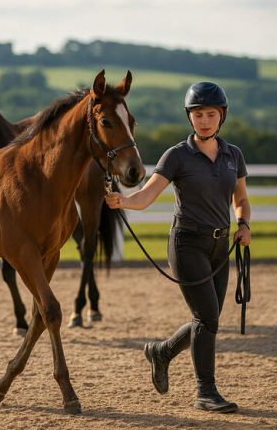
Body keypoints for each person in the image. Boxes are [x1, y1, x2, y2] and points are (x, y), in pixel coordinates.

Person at [105, 81, 251, 413]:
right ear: (190, 117)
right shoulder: (177, 156)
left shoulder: (233, 155)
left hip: (220, 245)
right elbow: (147, 194)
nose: (204, 121)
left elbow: (240, 199)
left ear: (221, 116)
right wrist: (123, 201)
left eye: (210, 114)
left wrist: (243, 224)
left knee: (207, 320)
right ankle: (205, 392)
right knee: (207, 317)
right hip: (186, 244)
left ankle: (162, 352)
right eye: (198, 114)